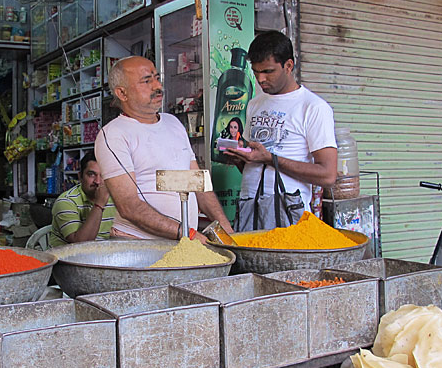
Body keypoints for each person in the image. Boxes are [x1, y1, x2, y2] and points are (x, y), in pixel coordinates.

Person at [94, 56, 233, 240]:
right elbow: (128, 206)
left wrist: (225, 228)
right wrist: (187, 234)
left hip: (183, 242)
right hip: (139, 244)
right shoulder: (113, 134)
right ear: (122, 93)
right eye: (146, 81)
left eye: (156, 78)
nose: (157, 86)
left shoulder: (172, 123)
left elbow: (197, 183)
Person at [225, 30, 337, 231]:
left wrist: (269, 158)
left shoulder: (313, 107)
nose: (260, 79)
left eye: (268, 71)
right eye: (255, 71)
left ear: (288, 66)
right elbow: (255, 163)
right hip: (249, 204)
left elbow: (328, 175)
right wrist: (240, 158)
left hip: (287, 209)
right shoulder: (254, 104)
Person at [48, 151, 116, 248]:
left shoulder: (114, 198)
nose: (97, 181)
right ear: (80, 176)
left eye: (103, 175)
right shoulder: (66, 201)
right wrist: (99, 204)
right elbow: (80, 245)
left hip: (102, 257)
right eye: (91, 174)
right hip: (68, 259)